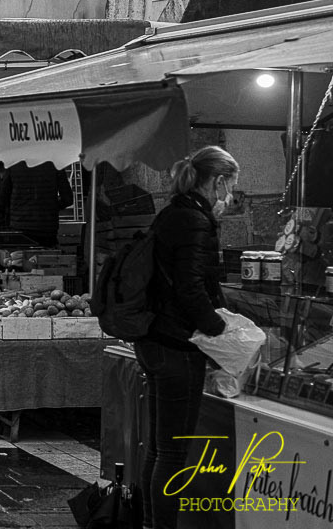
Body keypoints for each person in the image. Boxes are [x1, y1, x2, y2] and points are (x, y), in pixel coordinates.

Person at [137, 146, 237, 529]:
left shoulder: (172, 213)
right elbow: (192, 290)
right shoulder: (194, 221)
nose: (230, 196)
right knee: (172, 455)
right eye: (231, 187)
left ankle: (149, 524)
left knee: (159, 450)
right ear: (219, 181)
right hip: (177, 347)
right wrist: (220, 333)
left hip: (154, 341)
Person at [0, 161, 73, 247]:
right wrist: (51, 207)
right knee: (46, 258)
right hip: (47, 228)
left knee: (19, 259)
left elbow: (3, 198)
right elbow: (68, 199)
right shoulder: (55, 165)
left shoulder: (13, 165)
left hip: (19, 226)